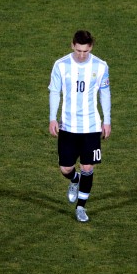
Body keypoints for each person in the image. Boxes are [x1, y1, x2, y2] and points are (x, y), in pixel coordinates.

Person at [48, 30, 111, 222]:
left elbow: (105, 93)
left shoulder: (100, 66)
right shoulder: (61, 65)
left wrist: (106, 120)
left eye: (85, 50)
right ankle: (74, 180)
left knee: (87, 167)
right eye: (78, 50)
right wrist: (52, 118)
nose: (81, 54)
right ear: (72, 45)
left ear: (90, 47)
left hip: (91, 127)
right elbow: (54, 92)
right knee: (65, 168)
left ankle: (81, 208)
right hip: (68, 126)